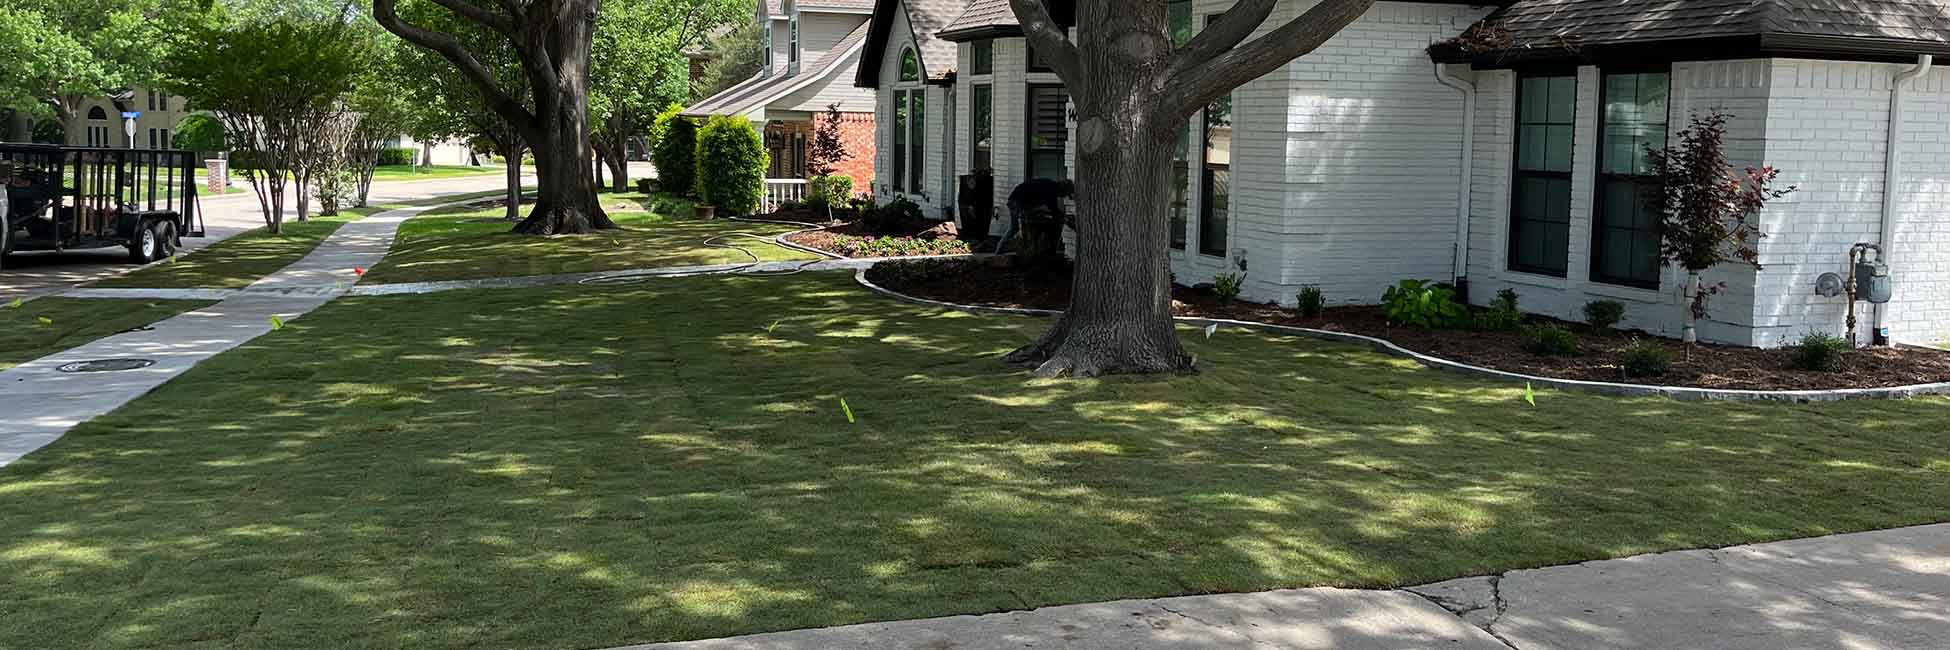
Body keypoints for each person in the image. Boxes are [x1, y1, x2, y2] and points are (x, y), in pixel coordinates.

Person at [997, 178, 1074, 256]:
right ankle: (1000, 250)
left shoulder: (1050, 184)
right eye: (1065, 195)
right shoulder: (1051, 190)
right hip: (1017, 201)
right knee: (1015, 227)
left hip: (1021, 201)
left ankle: (1029, 249)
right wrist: (1066, 220)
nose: (1063, 197)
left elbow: (1052, 210)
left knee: (1037, 217)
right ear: (1063, 190)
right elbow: (1054, 210)